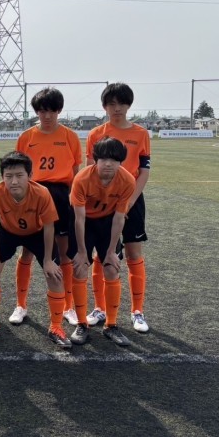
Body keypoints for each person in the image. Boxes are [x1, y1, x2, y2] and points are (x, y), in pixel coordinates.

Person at [0, 152, 71, 348]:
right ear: (2, 177)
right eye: (9, 176)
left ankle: (56, 327)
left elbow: (49, 226)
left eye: (19, 175)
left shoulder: (41, 193)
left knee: (55, 275)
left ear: (30, 175)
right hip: (7, 231)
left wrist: (48, 260)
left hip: (37, 232)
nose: (14, 181)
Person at [85, 83, 151, 333]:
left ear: (128, 105)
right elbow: (90, 170)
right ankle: (100, 308)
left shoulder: (141, 134)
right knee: (102, 254)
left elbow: (144, 171)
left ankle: (137, 311)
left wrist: (130, 199)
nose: (117, 108)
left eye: (122, 103)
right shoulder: (96, 133)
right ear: (104, 106)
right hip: (102, 202)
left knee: (133, 253)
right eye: (111, 104)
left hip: (132, 199)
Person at [15, 87, 82, 327]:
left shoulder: (70, 136)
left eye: (51, 111)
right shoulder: (26, 137)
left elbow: (75, 170)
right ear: (36, 112)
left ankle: (68, 306)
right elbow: (18, 170)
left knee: (64, 252)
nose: (46, 116)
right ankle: (20, 305)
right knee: (27, 251)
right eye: (42, 111)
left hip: (61, 195)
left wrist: (72, 199)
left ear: (59, 110)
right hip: (33, 194)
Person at [68, 137, 136, 346]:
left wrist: (111, 251)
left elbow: (119, 217)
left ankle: (111, 325)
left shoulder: (127, 181)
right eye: (104, 159)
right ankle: (81, 324)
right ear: (95, 160)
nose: (108, 164)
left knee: (111, 268)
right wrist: (82, 252)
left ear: (120, 161)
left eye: (114, 160)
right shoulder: (82, 178)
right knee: (80, 268)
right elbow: (79, 218)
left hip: (108, 222)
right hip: (85, 222)